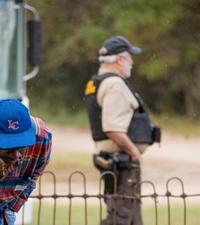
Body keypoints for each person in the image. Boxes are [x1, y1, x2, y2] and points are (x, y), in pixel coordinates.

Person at [84, 36, 161, 225]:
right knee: (121, 218)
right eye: (129, 57)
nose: (132, 62)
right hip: (123, 163)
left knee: (129, 217)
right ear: (119, 59)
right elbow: (112, 128)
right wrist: (135, 153)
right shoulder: (115, 84)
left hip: (116, 162)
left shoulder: (98, 82)